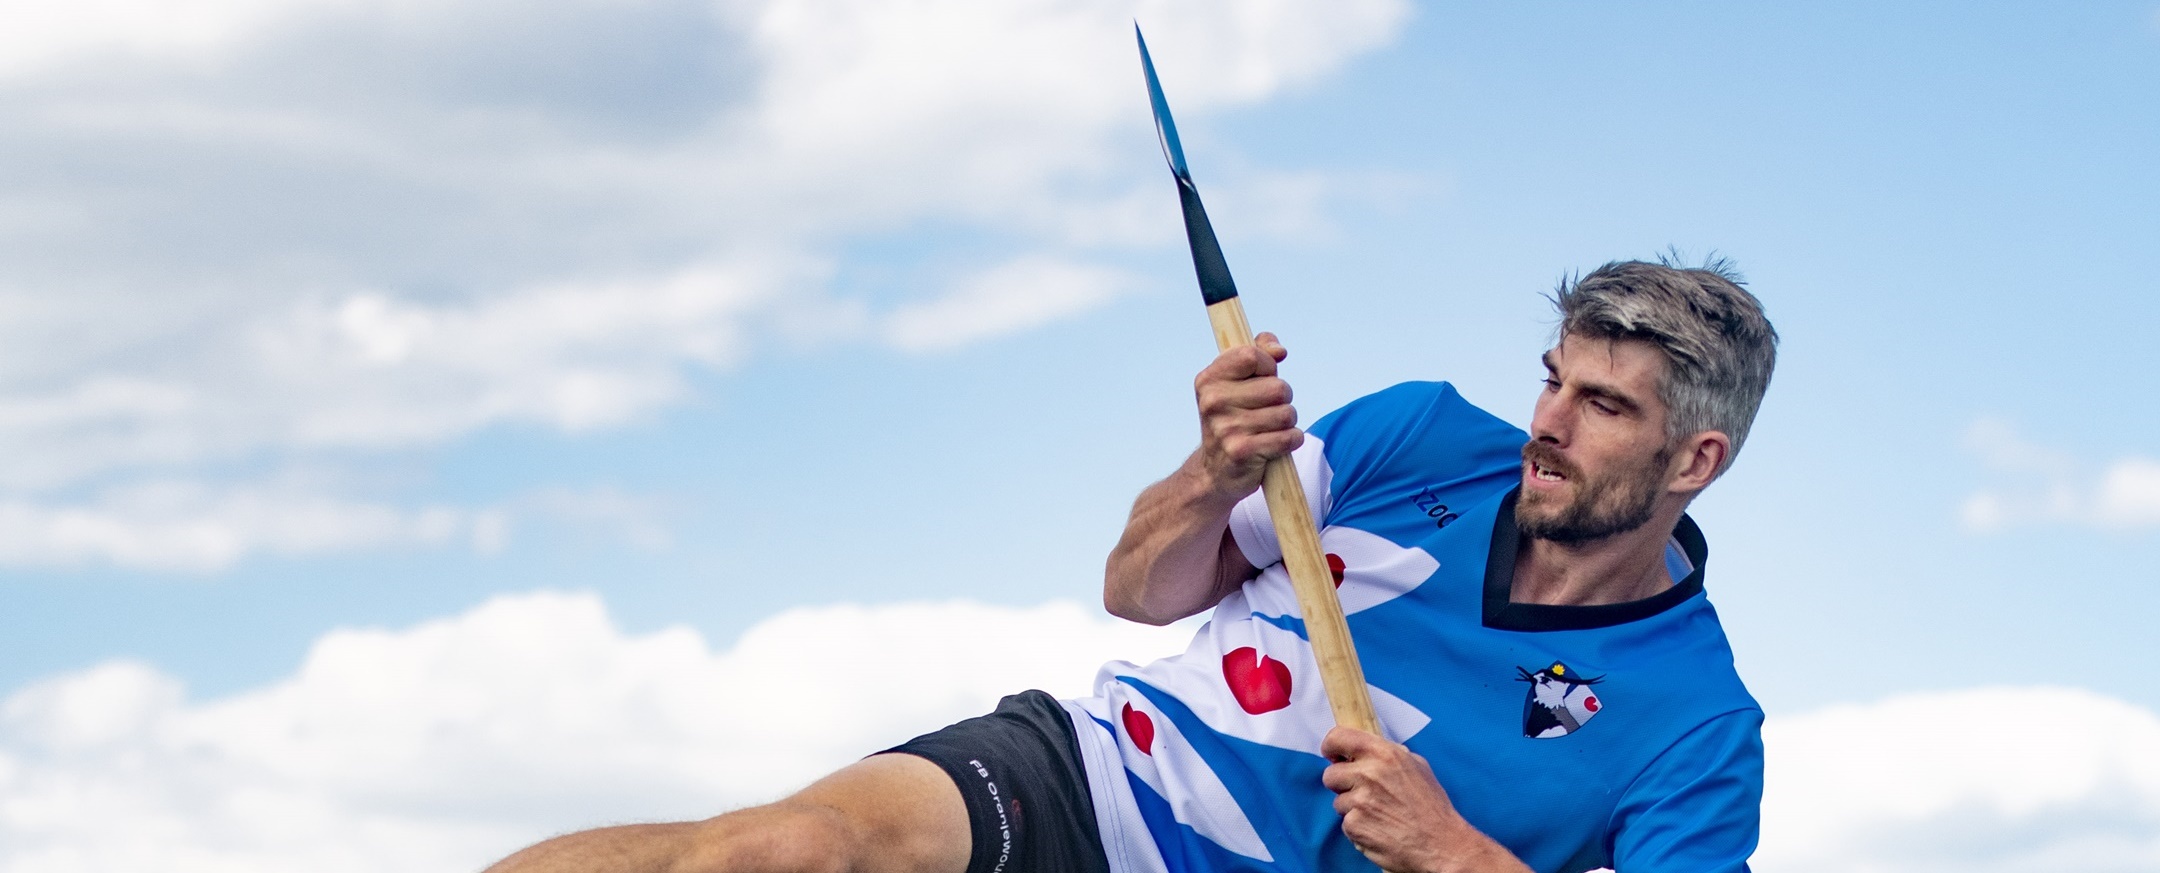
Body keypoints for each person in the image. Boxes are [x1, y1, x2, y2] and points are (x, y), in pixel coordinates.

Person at [486, 258, 1778, 873]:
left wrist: (1451, 849)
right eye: (1553, 381)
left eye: (1603, 406)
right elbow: (1139, 586)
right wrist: (1213, 470)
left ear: (1696, 457)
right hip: (1103, 783)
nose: (1548, 424)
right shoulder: (1422, 436)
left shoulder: (1699, 728)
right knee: (784, 854)